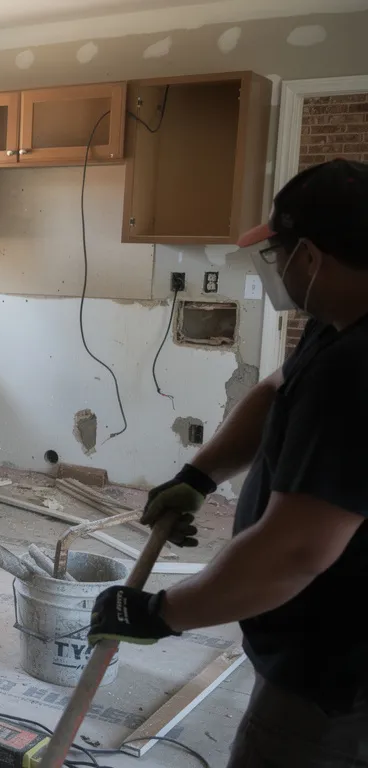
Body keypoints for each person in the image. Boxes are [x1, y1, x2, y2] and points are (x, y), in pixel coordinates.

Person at [87, 159, 368, 766]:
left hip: (338, 675)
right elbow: (275, 391)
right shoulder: (339, 325)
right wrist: (199, 474)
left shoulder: (359, 368)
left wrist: (161, 613)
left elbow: (297, 551)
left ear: (312, 259)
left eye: (280, 254)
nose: (279, 270)